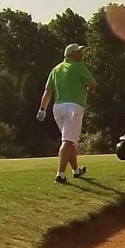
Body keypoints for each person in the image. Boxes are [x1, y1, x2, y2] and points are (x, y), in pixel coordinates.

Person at [38, 44, 97, 184]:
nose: (82, 54)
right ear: (72, 54)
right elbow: (93, 84)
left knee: (70, 142)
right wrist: (89, 91)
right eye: (79, 52)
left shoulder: (56, 69)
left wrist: (42, 109)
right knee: (68, 141)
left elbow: (48, 91)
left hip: (57, 108)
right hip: (73, 107)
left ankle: (76, 171)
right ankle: (61, 174)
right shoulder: (78, 66)